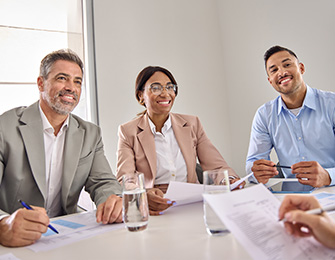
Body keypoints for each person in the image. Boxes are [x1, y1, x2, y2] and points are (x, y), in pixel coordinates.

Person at [0, 49, 122, 247]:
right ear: (41, 83)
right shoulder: (5, 127)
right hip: (16, 242)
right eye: (62, 78)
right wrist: (3, 224)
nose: (71, 88)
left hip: (65, 237)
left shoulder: (90, 134)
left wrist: (112, 200)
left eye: (77, 81)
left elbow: (103, 183)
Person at [116, 66, 243, 216]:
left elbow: (217, 165)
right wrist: (143, 194)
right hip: (155, 205)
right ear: (140, 96)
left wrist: (230, 181)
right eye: (156, 88)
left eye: (170, 87)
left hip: (192, 201)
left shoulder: (192, 124)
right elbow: (125, 179)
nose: (165, 93)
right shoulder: (127, 131)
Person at [246, 45, 335, 187]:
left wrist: (329, 176)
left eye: (287, 64)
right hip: (291, 199)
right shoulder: (264, 115)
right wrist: (257, 172)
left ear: (301, 68)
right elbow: (252, 165)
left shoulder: (332, 105)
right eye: (274, 70)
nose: (282, 72)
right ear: (270, 80)